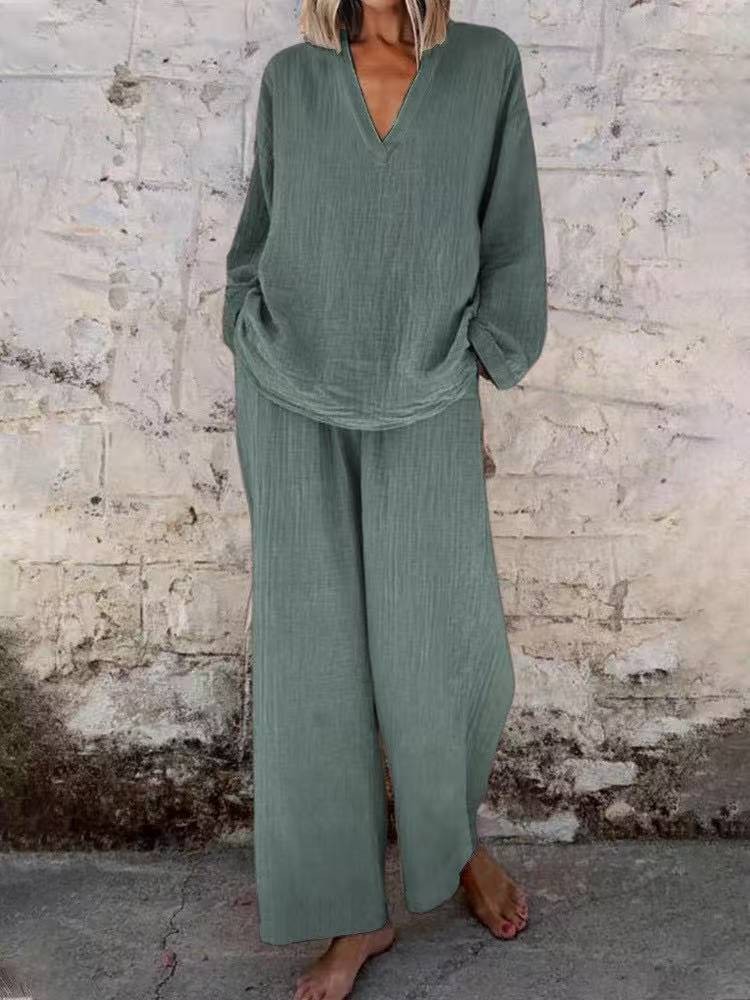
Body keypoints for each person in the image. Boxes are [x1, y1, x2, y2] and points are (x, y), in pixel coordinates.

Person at [223, 1, 547, 997]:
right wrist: (242, 316)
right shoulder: (292, 79)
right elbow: (260, 228)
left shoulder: (485, 67)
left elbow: (510, 230)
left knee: (439, 646)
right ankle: (354, 917)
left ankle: (456, 848)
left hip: (426, 398)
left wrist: (486, 352)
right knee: (314, 666)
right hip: (290, 397)